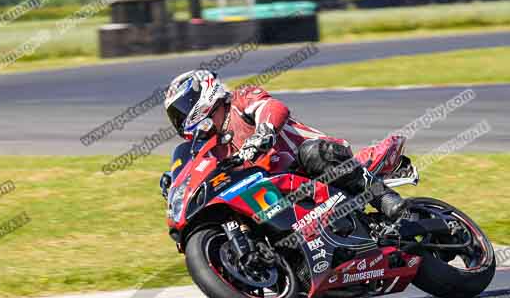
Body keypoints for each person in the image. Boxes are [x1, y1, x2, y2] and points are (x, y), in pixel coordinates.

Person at [161, 70, 405, 220]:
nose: (181, 119)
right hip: (279, 188)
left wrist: (264, 132)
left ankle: (383, 197)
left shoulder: (240, 99)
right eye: (176, 116)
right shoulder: (214, 145)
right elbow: (202, 170)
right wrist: (177, 181)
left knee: (311, 153)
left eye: (183, 109)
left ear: (203, 95)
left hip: (314, 162)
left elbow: (273, 107)